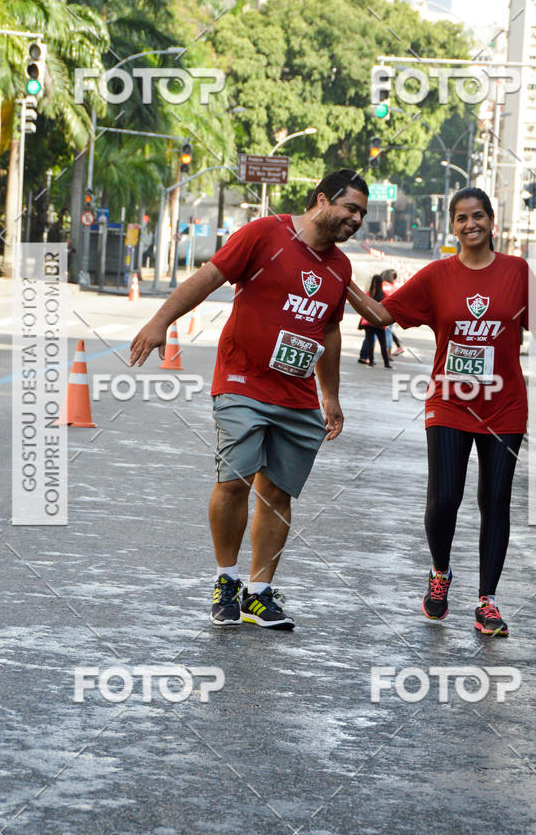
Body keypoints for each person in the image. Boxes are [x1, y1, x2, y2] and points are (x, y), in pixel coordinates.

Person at [347, 186, 536, 636]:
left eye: (478, 215)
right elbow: (383, 315)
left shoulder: (516, 272)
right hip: (448, 402)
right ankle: (440, 573)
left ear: (492, 221)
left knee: (494, 501)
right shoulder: (436, 275)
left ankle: (488, 602)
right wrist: (339, 280)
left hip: (504, 406)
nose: (470, 224)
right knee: (445, 498)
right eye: (461, 218)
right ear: (453, 225)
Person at [130, 169, 368, 630]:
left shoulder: (340, 267)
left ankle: (258, 594)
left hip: (297, 394)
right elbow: (209, 277)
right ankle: (226, 580)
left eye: (362, 213)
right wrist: (161, 320)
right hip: (241, 380)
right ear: (323, 200)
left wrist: (330, 395)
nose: (356, 219)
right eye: (350, 208)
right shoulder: (265, 233)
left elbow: (330, 330)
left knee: (278, 492)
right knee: (235, 479)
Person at [359, 274, 392, 368]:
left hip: (367, 322)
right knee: (383, 344)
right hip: (379, 322)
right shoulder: (384, 296)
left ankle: (371, 362)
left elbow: (363, 307)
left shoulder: (368, 294)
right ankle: (386, 364)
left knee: (370, 342)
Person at [381, 270, 404, 356]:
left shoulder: (383, 286)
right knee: (388, 331)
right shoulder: (396, 286)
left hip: (383, 311)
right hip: (394, 312)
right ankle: (393, 349)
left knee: (386, 332)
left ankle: (388, 352)